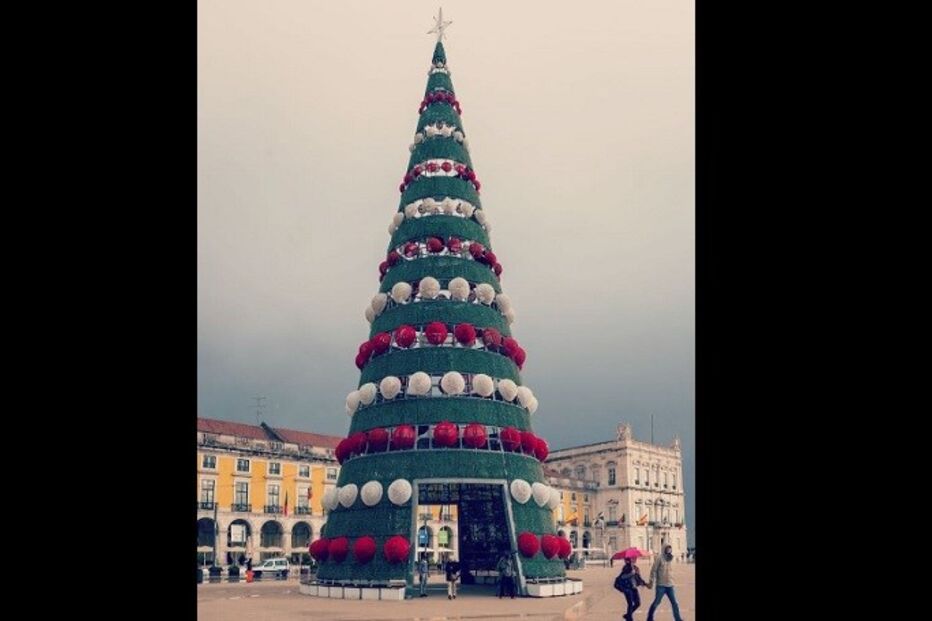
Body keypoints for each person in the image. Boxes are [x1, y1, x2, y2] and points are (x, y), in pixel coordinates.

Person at [646, 544, 685, 621]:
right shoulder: (659, 558)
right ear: (664, 549)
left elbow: (670, 571)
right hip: (661, 585)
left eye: (670, 549)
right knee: (657, 602)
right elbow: (653, 570)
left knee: (675, 603)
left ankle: (678, 619)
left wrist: (673, 579)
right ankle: (650, 617)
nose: (669, 551)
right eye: (667, 549)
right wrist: (651, 581)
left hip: (670, 585)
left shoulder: (671, 558)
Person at [614, 556, 648, 621]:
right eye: (626, 560)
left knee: (637, 603)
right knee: (630, 604)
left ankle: (628, 615)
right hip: (627, 588)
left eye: (634, 559)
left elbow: (638, 578)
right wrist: (631, 573)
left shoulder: (636, 568)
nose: (634, 560)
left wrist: (644, 583)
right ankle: (629, 618)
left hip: (634, 588)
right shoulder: (626, 568)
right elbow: (622, 577)